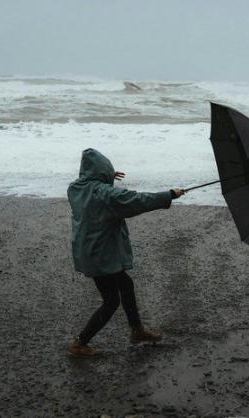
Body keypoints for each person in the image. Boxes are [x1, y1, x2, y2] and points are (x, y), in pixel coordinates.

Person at [66, 148, 184, 357]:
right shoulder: (104, 194)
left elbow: (95, 187)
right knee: (111, 300)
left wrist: (107, 177)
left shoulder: (75, 188)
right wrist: (169, 195)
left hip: (90, 249)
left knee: (125, 284)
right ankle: (80, 343)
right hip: (100, 254)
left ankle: (137, 330)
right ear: (101, 172)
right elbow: (137, 200)